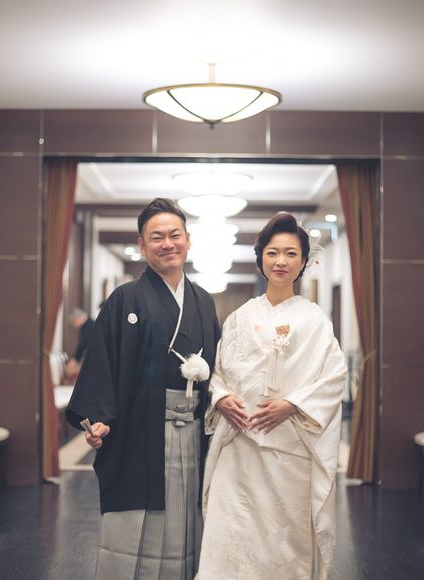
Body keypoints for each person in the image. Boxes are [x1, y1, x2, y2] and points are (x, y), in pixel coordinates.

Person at [66, 198, 220, 580]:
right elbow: (102, 363)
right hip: (138, 431)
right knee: (135, 524)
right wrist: (99, 418)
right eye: (157, 237)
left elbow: (220, 369)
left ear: (188, 239)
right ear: (142, 245)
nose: (167, 243)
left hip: (192, 432)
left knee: (186, 520)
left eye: (175, 235)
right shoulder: (125, 299)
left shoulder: (203, 302)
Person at [196, 212, 346, 580]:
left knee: (284, 544)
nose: (281, 261)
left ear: (304, 261)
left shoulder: (315, 320)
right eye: (273, 252)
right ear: (260, 258)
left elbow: (334, 377)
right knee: (231, 535)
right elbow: (219, 373)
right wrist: (221, 398)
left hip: (289, 450)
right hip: (239, 447)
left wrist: (293, 405)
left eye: (291, 253)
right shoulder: (239, 317)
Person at [65, 308, 95, 378]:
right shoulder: (89, 324)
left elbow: (82, 345)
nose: (74, 326)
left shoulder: (88, 326)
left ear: (78, 319)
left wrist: (75, 359)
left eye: (74, 322)